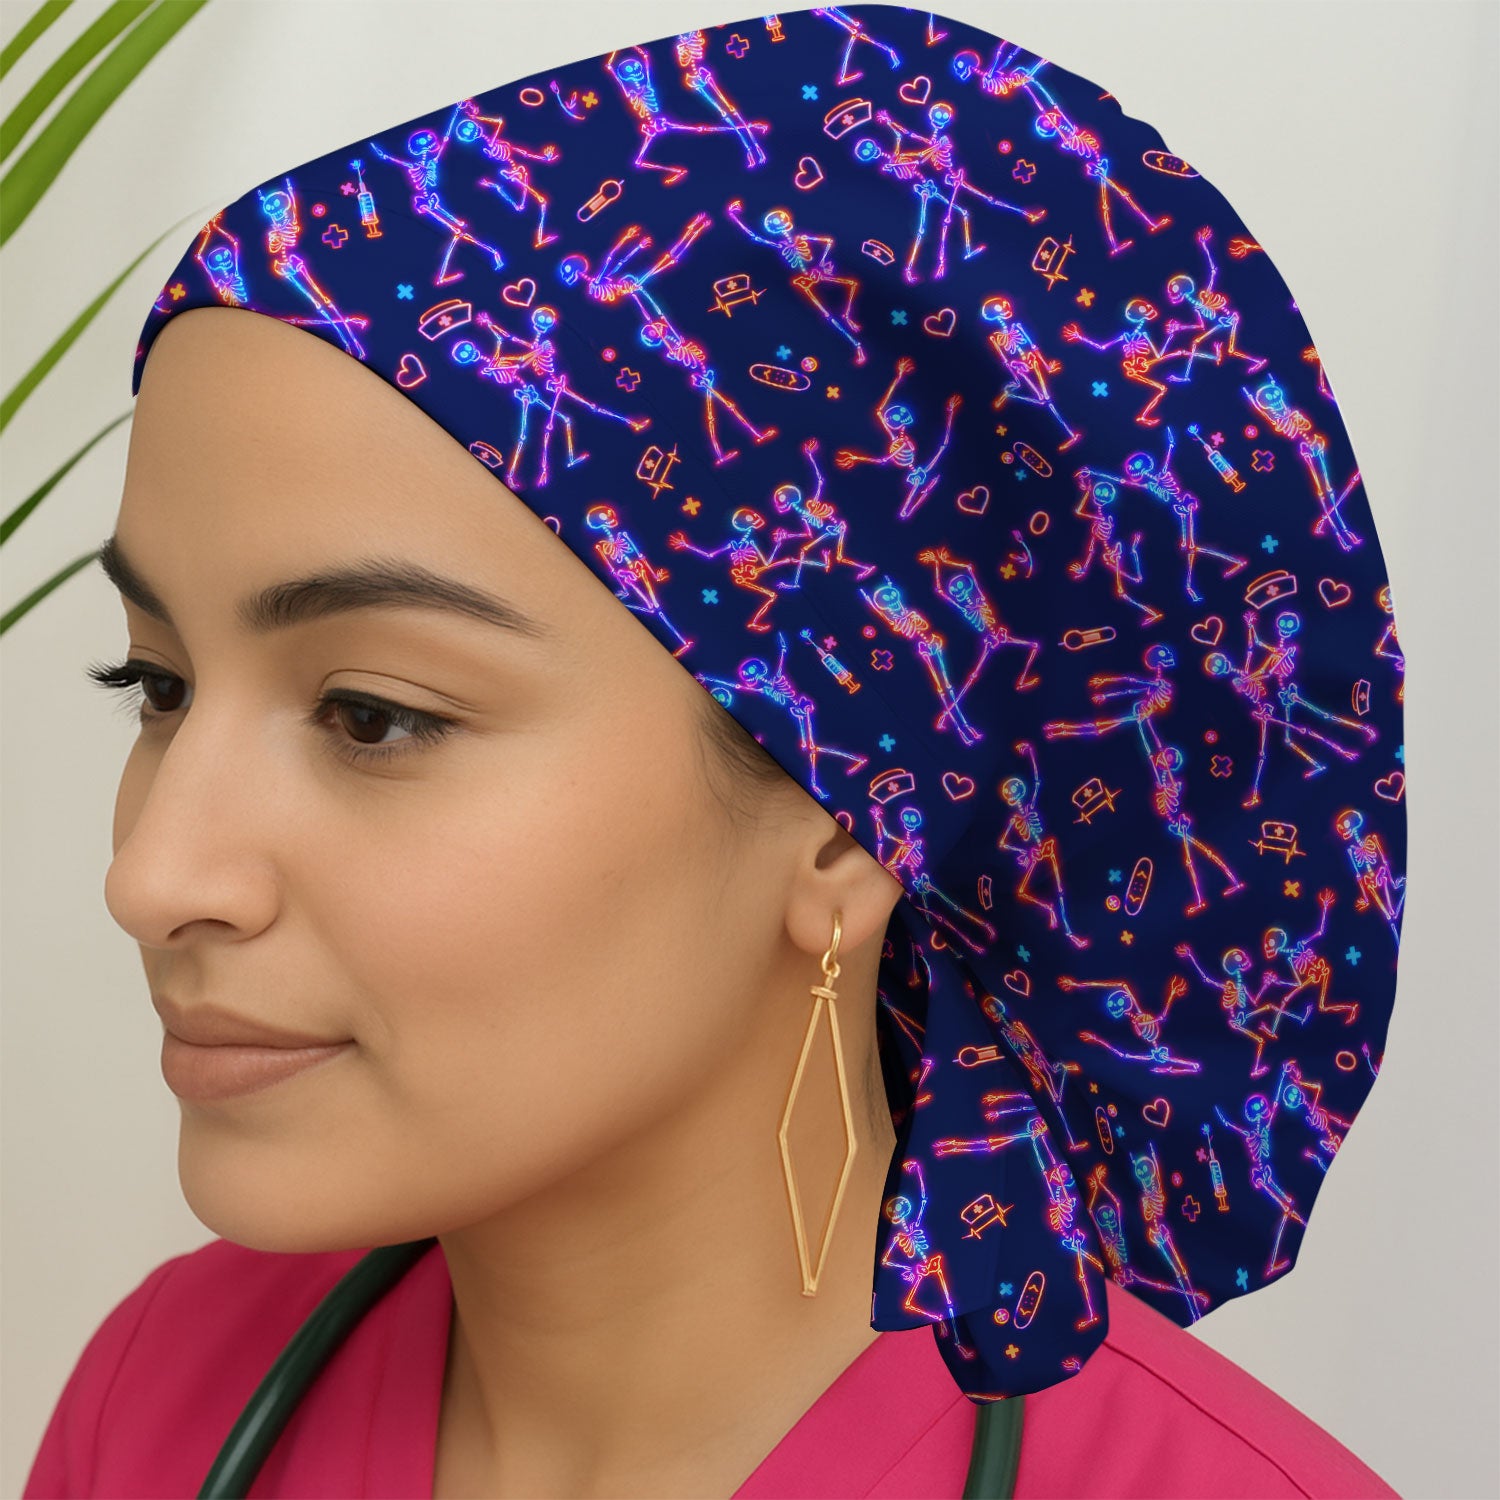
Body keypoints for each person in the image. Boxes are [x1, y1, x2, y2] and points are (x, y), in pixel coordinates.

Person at [24, 5, 1405, 1496]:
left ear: (852, 819)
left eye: (374, 715)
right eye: (157, 684)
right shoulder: (157, 1396)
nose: (154, 876)